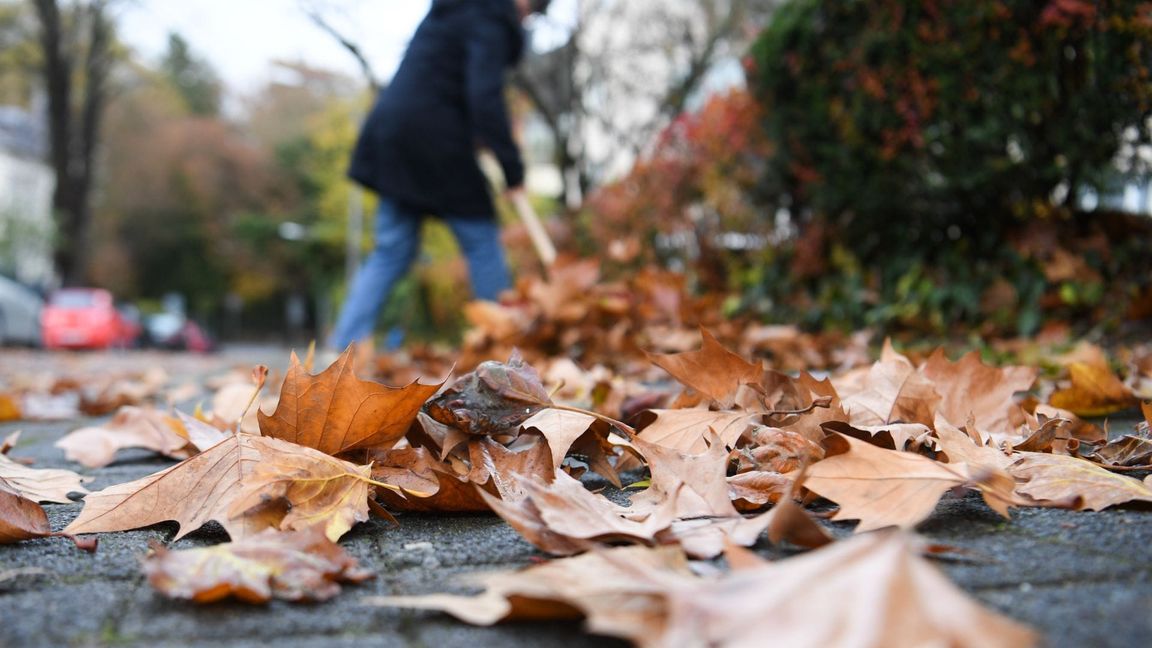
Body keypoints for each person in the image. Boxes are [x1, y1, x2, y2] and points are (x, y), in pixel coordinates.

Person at [327, 0, 551, 352]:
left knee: (391, 250)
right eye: (533, 11)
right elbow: (484, 96)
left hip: (394, 132)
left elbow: (446, 82)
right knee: (481, 240)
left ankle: (339, 349)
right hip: (435, 138)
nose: (526, 19)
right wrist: (513, 169)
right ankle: (506, 347)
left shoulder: (452, 11)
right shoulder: (491, 16)